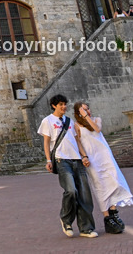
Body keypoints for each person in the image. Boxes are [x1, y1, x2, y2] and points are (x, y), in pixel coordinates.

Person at [38, 94, 97, 239]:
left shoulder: (69, 121)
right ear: (54, 106)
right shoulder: (48, 121)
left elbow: (77, 141)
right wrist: (48, 160)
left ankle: (86, 228)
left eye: (65, 104)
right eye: (61, 105)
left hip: (76, 159)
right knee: (71, 190)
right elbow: (46, 142)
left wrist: (83, 156)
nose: (64, 107)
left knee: (84, 195)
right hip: (61, 160)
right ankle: (66, 220)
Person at [73, 101, 133, 235]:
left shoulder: (96, 119)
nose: (88, 111)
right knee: (100, 186)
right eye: (84, 110)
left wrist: (87, 117)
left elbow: (97, 129)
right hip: (92, 159)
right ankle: (107, 218)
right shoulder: (76, 126)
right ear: (78, 113)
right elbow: (78, 143)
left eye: (88, 109)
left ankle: (113, 211)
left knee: (115, 181)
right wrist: (84, 157)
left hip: (105, 156)